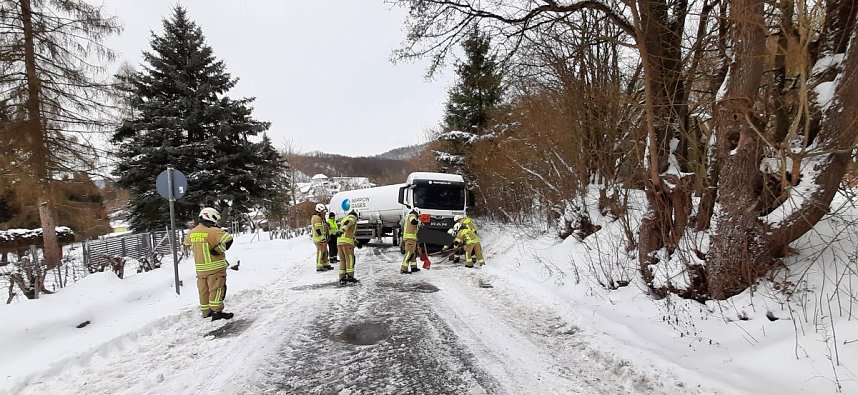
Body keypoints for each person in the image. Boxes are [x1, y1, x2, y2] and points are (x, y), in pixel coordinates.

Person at [183, 207, 234, 321]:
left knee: (203, 291)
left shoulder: (192, 232)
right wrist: (217, 250)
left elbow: (186, 243)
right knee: (216, 289)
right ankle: (217, 312)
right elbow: (229, 239)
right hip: (215, 268)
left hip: (200, 270)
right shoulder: (214, 231)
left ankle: (206, 312)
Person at [336, 209, 360, 285]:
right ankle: (350, 277)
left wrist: (356, 242)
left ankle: (342, 277)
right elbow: (347, 224)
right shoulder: (352, 218)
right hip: (347, 243)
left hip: (340, 242)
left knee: (342, 260)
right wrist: (342, 230)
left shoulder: (344, 219)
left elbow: (350, 234)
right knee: (350, 260)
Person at [310, 203, 333, 272]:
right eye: (323, 211)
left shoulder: (321, 218)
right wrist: (322, 237)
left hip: (322, 238)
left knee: (325, 251)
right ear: (319, 211)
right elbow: (317, 229)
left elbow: (323, 228)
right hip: (318, 238)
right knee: (320, 251)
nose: (324, 213)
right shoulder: (316, 218)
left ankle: (325, 264)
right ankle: (319, 265)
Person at [400, 208, 422, 274]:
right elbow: (413, 222)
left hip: (412, 239)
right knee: (409, 253)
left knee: (413, 254)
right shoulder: (412, 216)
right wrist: (419, 222)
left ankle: (413, 267)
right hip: (410, 238)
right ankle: (404, 269)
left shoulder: (411, 216)